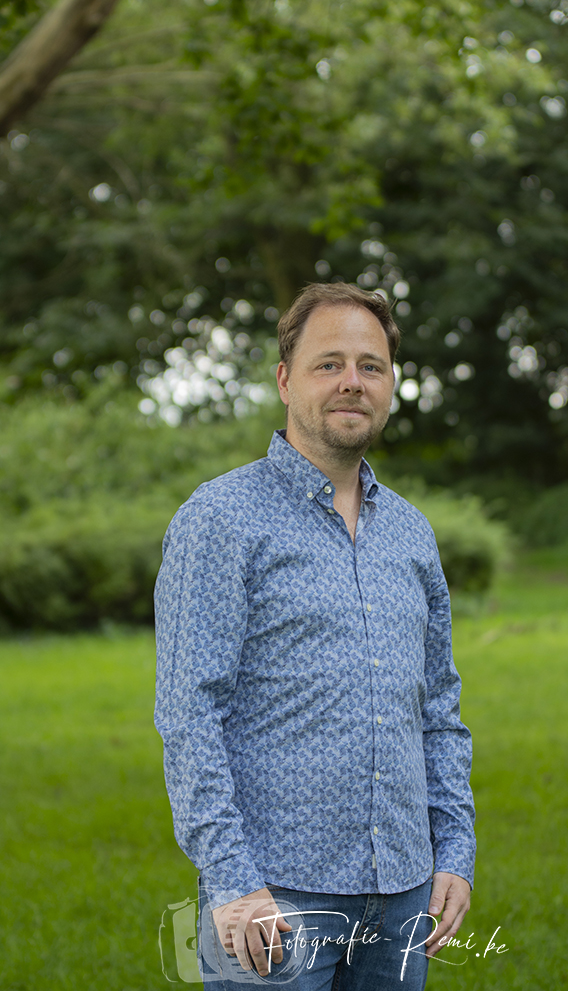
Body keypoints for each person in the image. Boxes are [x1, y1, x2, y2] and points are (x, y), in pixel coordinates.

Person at [154, 282, 476, 990]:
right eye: (328, 363)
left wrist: (453, 851)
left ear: (390, 383)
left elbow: (439, 711)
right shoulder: (221, 521)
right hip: (273, 897)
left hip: (401, 891)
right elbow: (188, 716)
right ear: (284, 380)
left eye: (370, 366)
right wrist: (233, 881)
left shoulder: (411, 534)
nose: (351, 383)